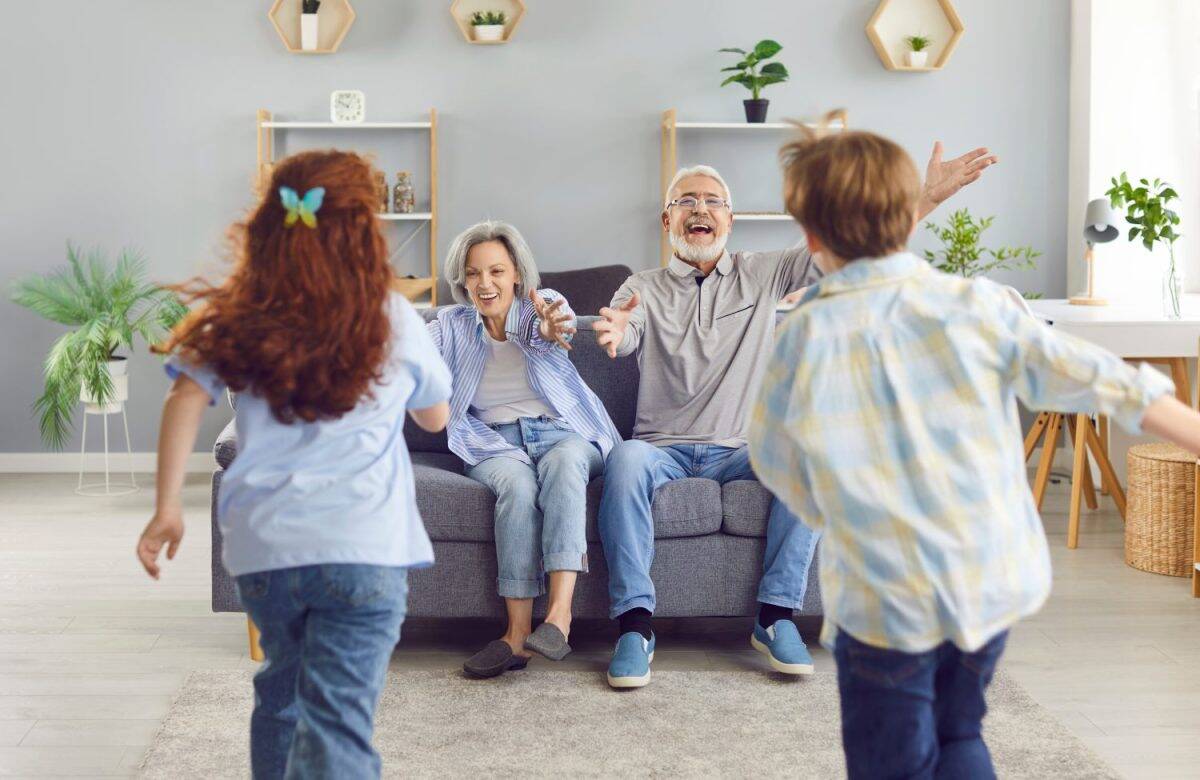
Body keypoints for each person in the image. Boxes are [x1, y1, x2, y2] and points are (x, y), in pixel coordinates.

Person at [747, 122, 1200, 779]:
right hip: (988, 584)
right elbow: (1109, 380)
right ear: (910, 214)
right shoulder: (981, 304)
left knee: (893, 764)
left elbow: (775, 457)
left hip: (886, 602)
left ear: (810, 237)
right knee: (960, 734)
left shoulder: (804, 332)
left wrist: (831, 508)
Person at [592, 138, 997, 688]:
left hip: (743, 447)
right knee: (623, 460)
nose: (699, 210)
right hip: (660, 448)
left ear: (729, 219)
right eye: (686, 201)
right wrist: (618, 330)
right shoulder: (642, 287)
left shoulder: (765, 273)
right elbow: (626, 322)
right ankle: (635, 626)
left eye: (712, 201)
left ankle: (775, 615)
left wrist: (923, 200)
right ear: (668, 219)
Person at [135, 150, 452, 779]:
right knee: (339, 726)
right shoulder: (391, 317)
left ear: (268, 225)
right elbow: (435, 419)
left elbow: (185, 397)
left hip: (266, 547)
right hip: (364, 548)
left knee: (283, 692)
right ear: (363, 228)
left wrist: (167, 508)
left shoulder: (242, 310)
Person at [432, 220, 621, 678]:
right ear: (462, 280)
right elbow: (411, 359)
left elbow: (556, 328)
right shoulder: (450, 325)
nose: (485, 283)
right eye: (474, 273)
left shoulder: (544, 306)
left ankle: (558, 618)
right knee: (516, 488)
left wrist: (553, 327)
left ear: (516, 273)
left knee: (564, 464)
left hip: (563, 431)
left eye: (496, 271)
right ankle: (516, 636)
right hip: (494, 441)